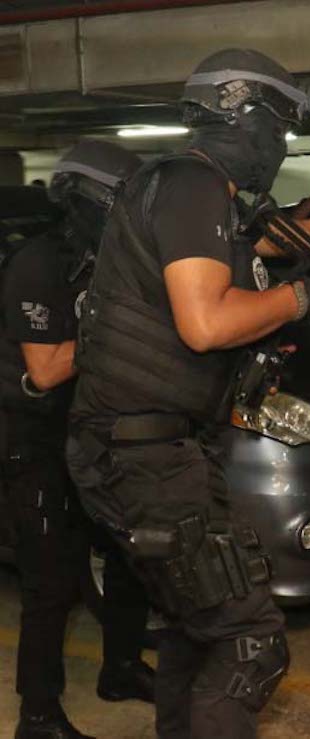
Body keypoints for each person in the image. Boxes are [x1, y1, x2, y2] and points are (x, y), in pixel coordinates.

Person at [64, 48, 310, 739]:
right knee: (250, 642)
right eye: (278, 132)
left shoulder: (200, 193)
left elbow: (305, 234)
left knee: (197, 628)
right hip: (142, 454)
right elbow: (207, 321)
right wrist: (302, 297)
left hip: (154, 448)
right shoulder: (190, 186)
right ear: (242, 117)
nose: (280, 149)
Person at [1, 140, 153, 739]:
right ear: (90, 200)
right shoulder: (40, 264)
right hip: (33, 440)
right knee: (51, 583)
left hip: (87, 431)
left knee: (125, 555)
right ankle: (37, 715)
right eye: (124, 202)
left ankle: (119, 670)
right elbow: (45, 369)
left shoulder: (103, 259)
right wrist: (117, 330)